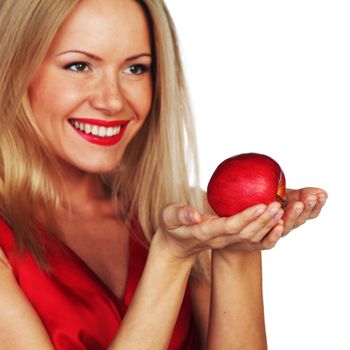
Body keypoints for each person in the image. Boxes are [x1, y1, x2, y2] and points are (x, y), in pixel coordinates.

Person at [0, 0, 327, 349]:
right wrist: (170, 257)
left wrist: (237, 245)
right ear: (14, 67)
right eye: (79, 65)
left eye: (136, 69)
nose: (112, 101)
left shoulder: (177, 214)